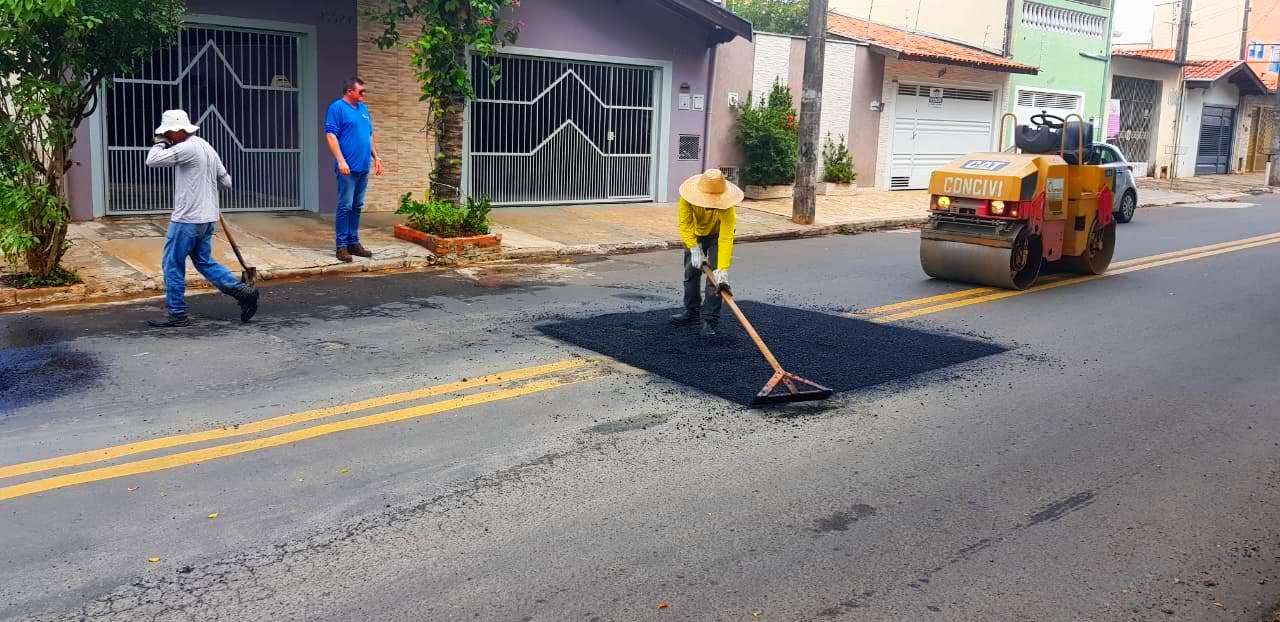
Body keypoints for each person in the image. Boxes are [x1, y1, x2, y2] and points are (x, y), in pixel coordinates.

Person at [144, 109, 259, 327]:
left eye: (168, 133)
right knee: (204, 261)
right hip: (208, 218)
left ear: (178, 130)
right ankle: (243, 292)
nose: (168, 137)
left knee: (172, 264)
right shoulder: (206, 146)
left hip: (187, 218)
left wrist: (159, 142)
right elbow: (227, 181)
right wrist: (206, 186)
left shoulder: (186, 147)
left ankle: (177, 314)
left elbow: (152, 160)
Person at [670, 169, 740, 337]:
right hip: (695, 235)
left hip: (717, 237)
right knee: (691, 274)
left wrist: (722, 269)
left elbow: (726, 237)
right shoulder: (687, 198)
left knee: (714, 281)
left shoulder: (727, 207)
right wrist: (694, 248)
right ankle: (692, 312)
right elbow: (685, 225)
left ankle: (710, 321)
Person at [324, 77, 383, 263]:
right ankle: (341, 246)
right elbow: (331, 135)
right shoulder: (337, 108)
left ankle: (353, 242)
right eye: (361, 91)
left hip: (363, 167)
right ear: (349, 91)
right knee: (345, 206)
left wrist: (376, 157)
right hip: (347, 168)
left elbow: (369, 136)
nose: (363, 94)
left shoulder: (364, 110)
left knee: (357, 206)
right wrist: (341, 161)